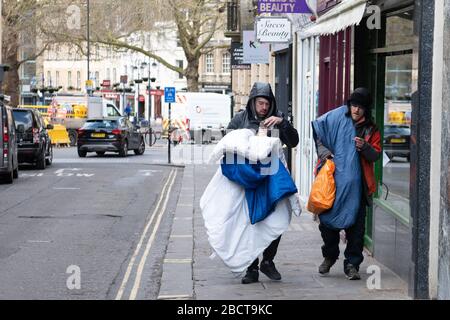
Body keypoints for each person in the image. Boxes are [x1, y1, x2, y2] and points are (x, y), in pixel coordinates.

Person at [227, 82, 299, 284]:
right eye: (260, 103)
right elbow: (227, 142)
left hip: (271, 177)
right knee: (250, 223)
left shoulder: (277, 118)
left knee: (276, 219)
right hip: (248, 178)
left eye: (267, 103)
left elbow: (294, 142)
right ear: (253, 102)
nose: (264, 107)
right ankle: (251, 269)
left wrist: (283, 124)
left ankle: (268, 260)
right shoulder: (240, 119)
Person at [314, 87, 381, 280]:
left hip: (358, 188)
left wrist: (365, 147)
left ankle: (352, 265)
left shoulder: (371, 129)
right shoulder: (336, 120)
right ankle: (329, 256)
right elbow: (319, 136)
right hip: (332, 185)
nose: (356, 110)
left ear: (366, 109)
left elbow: (375, 155)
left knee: (356, 231)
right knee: (327, 226)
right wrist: (325, 153)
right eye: (353, 105)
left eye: (360, 107)